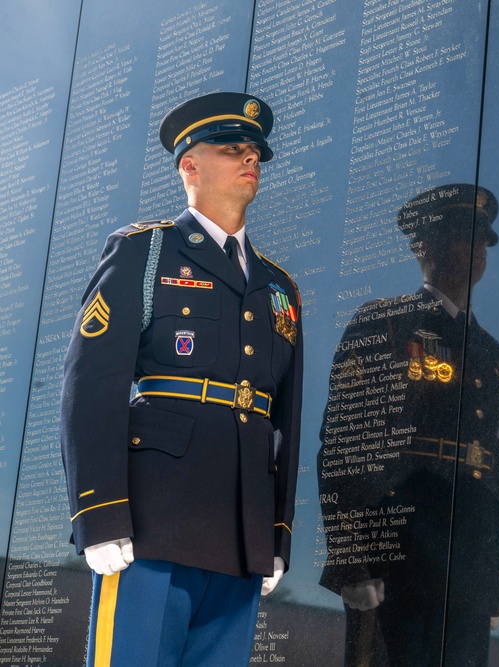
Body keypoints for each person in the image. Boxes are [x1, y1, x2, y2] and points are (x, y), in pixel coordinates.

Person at [60, 92, 303, 666]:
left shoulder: (278, 287)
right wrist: (98, 515)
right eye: (231, 148)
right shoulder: (145, 253)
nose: (250, 159)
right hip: (151, 523)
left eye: (255, 152)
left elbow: (284, 419)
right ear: (188, 165)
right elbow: (91, 386)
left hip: (242, 534)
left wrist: (277, 535)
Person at [317, 184, 499, 666]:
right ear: (424, 247)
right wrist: (351, 559)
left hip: (466, 562)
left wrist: (494, 580)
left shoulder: (494, 358)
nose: (476, 251)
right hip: (395, 554)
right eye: (462, 237)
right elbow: (343, 444)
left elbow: (496, 475)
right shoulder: (385, 325)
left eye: (482, 241)